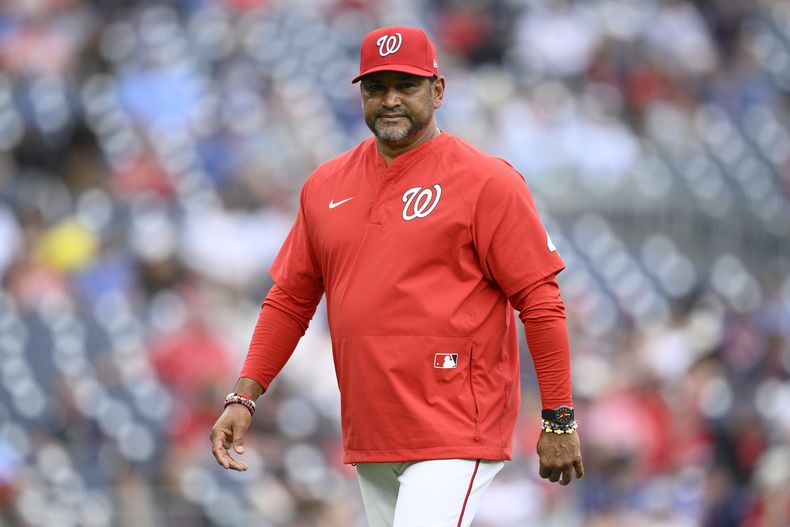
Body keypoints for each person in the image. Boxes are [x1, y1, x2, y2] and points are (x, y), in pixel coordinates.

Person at [210, 25, 584, 527]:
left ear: (438, 90)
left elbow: (540, 302)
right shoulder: (324, 185)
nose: (389, 100)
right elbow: (289, 302)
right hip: (372, 427)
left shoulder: (486, 181)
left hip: (456, 423)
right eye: (375, 87)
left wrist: (558, 418)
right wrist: (244, 396)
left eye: (405, 86)